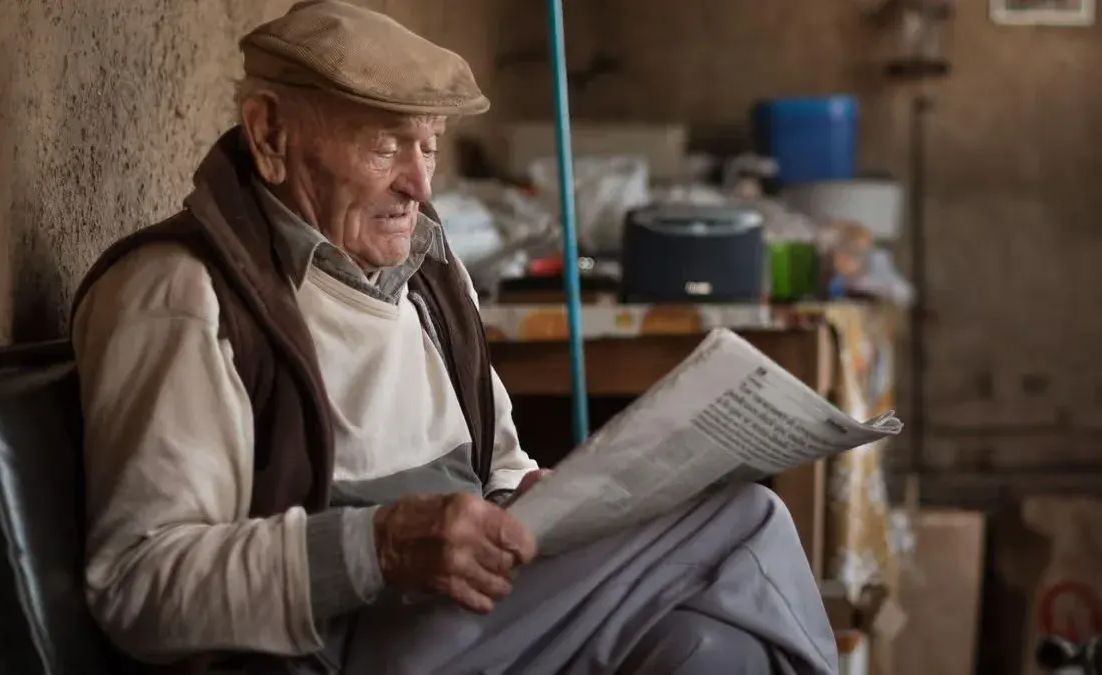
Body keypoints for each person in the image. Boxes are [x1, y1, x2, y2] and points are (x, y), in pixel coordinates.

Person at [70, 2, 837, 673]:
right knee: (745, 516)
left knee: (710, 647)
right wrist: (379, 546)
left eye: (429, 145)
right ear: (270, 133)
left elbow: (502, 467)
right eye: (385, 146)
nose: (420, 184)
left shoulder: (432, 275)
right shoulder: (184, 292)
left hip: (466, 626)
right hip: (336, 649)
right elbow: (138, 585)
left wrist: (538, 503)